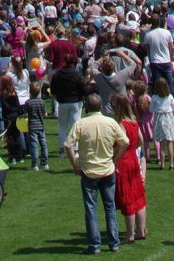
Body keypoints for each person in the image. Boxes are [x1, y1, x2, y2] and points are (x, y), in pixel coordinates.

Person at [64, 93, 129, 255]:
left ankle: (95, 245)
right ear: (101, 106)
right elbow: (125, 142)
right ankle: (114, 243)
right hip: (107, 170)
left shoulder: (81, 124)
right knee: (110, 208)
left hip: (89, 172)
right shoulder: (110, 122)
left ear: (87, 107)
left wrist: (75, 165)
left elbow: (68, 145)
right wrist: (115, 159)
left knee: (91, 209)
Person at [110, 94, 146, 244]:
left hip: (124, 162)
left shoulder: (121, 125)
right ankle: (141, 230)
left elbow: (121, 143)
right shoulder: (134, 122)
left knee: (128, 198)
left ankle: (130, 234)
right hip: (133, 159)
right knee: (138, 197)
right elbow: (141, 141)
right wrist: (133, 149)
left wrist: (115, 159)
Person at [149, 78, 174, 171]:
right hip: (169, 119)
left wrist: (158, 109)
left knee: (162, 143)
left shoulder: (154, 97)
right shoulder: (169, 96)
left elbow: (151, 109)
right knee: (169, 143)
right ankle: (171, 164)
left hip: (159, 119)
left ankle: (162, 164)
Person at [25, 81, 48, 171]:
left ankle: (35, 165)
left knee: (34, 145)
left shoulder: (28, 103)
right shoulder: (42, 102)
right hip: (41, 126)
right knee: (44, 144)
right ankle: (45, 163)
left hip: (32, 126)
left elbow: (26, 114)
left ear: (30, 91)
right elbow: (45, 114)